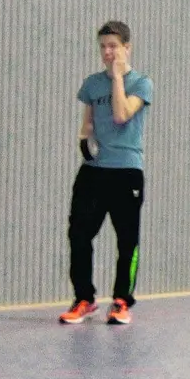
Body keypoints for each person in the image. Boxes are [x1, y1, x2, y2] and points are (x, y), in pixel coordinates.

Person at [60, 21, 152, 325]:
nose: (107, 52)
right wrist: (84, 141)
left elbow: (121, 113)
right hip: (94, 173)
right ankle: (84, 298)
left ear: (127, 47)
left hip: (126, 172)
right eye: (103, 47)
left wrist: (116, 78)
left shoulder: (141, 83)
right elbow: (87, 124)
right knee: (79, 234)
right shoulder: (91, 84)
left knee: (127, 241)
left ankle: (122, 302)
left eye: (113, 46)